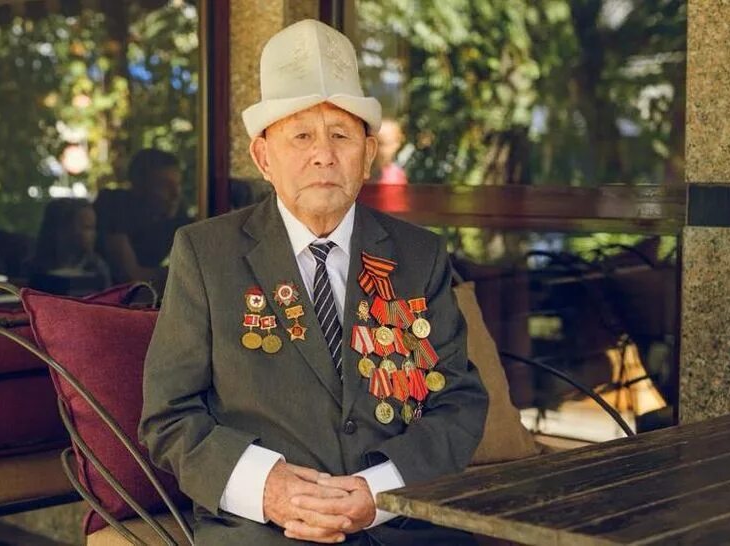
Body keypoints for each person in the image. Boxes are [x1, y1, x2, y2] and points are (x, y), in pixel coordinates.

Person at [139, 19, 487, 546]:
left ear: (367, 154)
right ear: (264, 157)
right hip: (264, 530)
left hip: (403, 524)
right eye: (301, 135)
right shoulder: (207, 254)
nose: (323, 154)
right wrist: (269, 490)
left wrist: (380, 493)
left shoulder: (419, 255)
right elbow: (169, 417)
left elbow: (458, 400)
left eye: (340, 135)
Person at [95, 148, 190, 288]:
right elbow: (129, 277)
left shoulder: (176, 215)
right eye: (164, 185)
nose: (175, 194)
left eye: (178, 184)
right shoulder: (114, 204)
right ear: (139, 187)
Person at [24, 198, 111, 295]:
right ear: (62, 230)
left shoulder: (97, 267)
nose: (94, 234)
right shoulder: (33, 268)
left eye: (93, 228)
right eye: (87, 227)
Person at [371, 118, 408, 185]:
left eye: (382, 144)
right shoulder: (359, 173)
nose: (376, 149)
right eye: (372, 143)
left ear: (396, 145)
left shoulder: (396, 176)